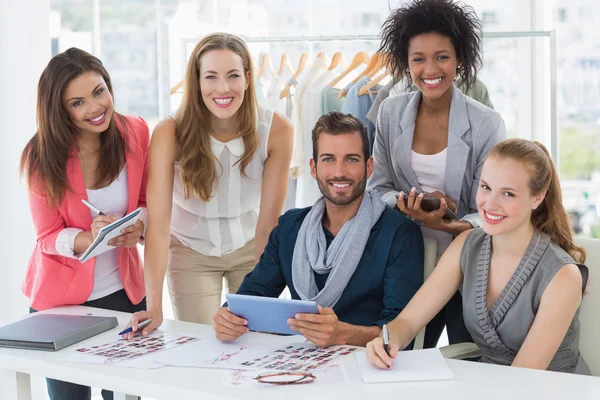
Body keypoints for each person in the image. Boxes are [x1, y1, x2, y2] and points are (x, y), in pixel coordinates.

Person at [366, 139, 590, 375]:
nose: (490, 204)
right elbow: (408, 321)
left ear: (537, 198)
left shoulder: (564, 276)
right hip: (491, 386)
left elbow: (524, 380)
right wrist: (387, 341)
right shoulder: (467, 244)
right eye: (485, 187)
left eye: (508, 194)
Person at [127, 32, 293, 335]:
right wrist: (154, 305)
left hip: (250, 248)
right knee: (201, 347)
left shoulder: (277, 129)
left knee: (251, 342)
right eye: (211, 77)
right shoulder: (169, 132)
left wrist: (260, 298)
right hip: (190, 251)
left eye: (232, 76)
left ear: (247, 79)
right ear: (197, 81)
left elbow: (268, 225)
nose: (223, 88)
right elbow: (159, 228)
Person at [212, 112, 424, 348]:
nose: (339, 172)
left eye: (351, 159)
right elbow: (253, 295)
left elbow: (402, 329)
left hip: (367, 367)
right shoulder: (290, 227)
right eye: (328, 159)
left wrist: (343, 335)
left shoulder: (400, 233)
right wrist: (227, 316)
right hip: (298, 360)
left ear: (369, 167)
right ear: (313, 168)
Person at [368, 0, 507, 347]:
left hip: (472, 263)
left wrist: (452, 222)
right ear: (406, 62)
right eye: (419, 59)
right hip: (407, 265)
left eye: (442, 56)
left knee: (474, 360)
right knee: (404, 358)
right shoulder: (389, 111)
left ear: (459, 58)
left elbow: (494, 206)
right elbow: (378, 186)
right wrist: (405, 203)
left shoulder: (486, 123)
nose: (430, 69)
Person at [20, 48, 149, 400]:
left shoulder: (135, 132)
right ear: (60, 111)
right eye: (77, 103)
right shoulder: (41, 155)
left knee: (127, 394)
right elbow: (46, 237)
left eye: (99, 92)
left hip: (124, 294)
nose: (95, 108)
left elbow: (144, 203)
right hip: (61, 304)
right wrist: (89, 237)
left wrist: (139, 228)